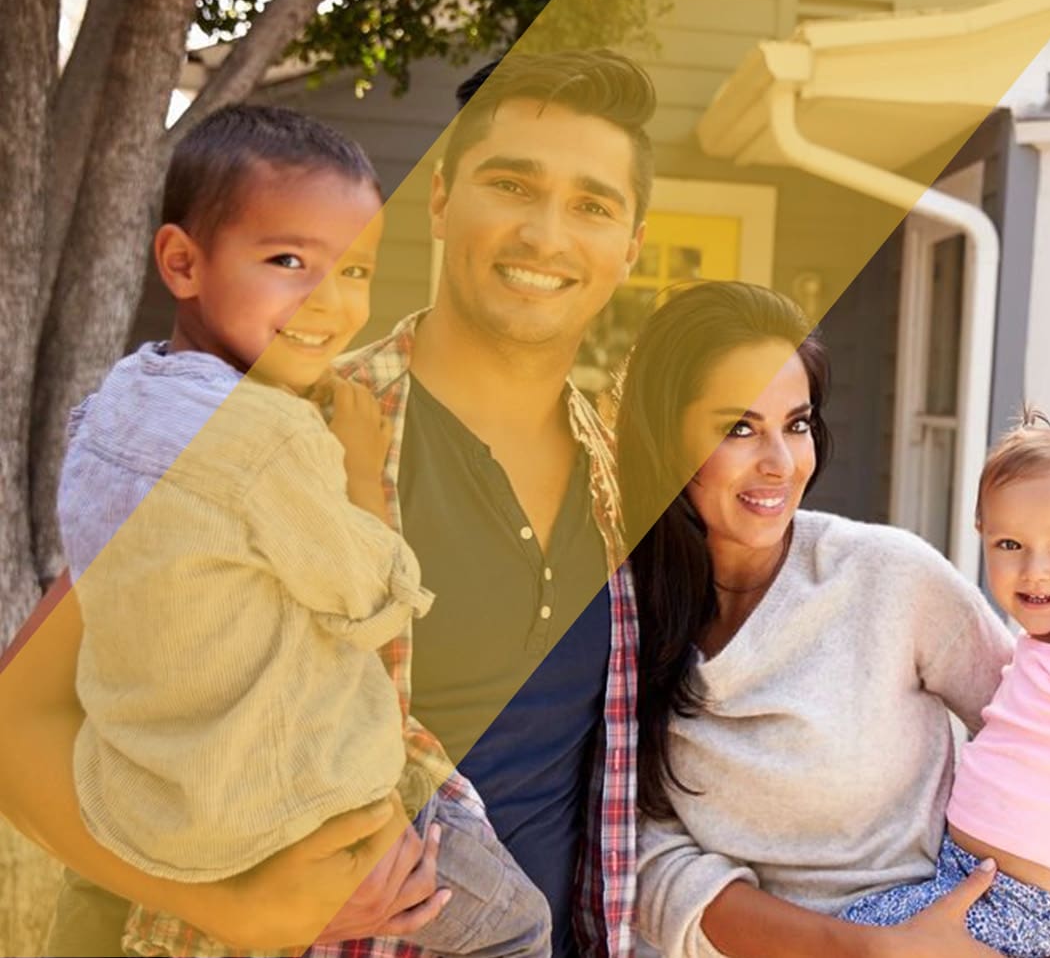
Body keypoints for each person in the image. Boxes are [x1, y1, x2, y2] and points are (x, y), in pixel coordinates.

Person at [0, 49, 657, 958]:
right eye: (511, 182)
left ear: (629, 247)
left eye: (592, 204)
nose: (547, 234)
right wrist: (241, 910)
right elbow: (17, 721)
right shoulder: (273, 426)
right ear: (438, 199)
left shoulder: (615, 473)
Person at [620, 282, 1050, 958]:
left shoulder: (889, 576)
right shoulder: (620, 619)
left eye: (797, 423)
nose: (780, 464)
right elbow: (648, 856)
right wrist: (865, 949)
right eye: (738, 428)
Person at [840, 411, 1050, 958]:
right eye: (1009, 545)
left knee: (850, 939)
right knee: (851, 934)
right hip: (969, 880)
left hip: (1024, 903)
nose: (1034, 571)